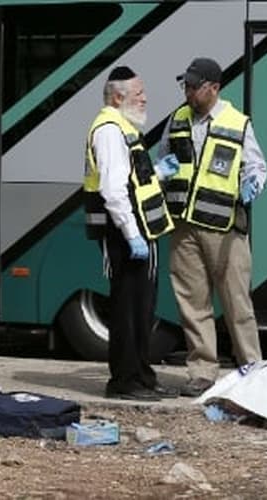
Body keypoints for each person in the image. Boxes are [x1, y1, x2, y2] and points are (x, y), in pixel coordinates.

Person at [157, 57, 267, 397]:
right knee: (193, 302)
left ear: (214, 88)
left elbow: (257, 167)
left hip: (225, 229)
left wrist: (252, 185)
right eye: (186, 85)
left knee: (237, 303)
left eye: (194, 86)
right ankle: (202, 371)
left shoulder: (238, 123)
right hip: (185, 227)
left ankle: (253, 371)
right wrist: (163, 169)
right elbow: (163, 158)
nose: (188, 91)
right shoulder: (177, 119)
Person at [83, 66, 181, 401]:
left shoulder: (125, 128)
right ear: (118, 96)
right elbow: (112, 190)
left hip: (139, 229)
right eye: (139, 94)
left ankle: (143, 375)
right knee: (127, 308)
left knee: (143, 308)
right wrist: (130, 233)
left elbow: (131, 179)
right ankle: (124, 381)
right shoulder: (109, 130)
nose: (145, 98)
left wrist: (157, 172)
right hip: (124, 232)